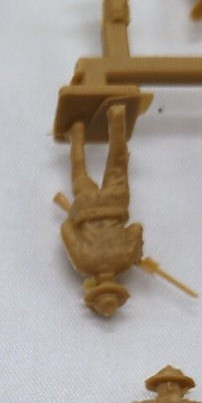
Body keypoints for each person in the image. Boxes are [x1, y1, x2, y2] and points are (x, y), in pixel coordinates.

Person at [59, 105, 145, 315]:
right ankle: (77, 131)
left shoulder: (125, 260)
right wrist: (75, 216)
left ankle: (117, 119)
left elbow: (135, 228)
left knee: (118, 164)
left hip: (115, 205)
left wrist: (136, 254)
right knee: (79, 170)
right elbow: (66, 229)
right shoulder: (83, 263)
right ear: (94, 287)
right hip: (86, 207)